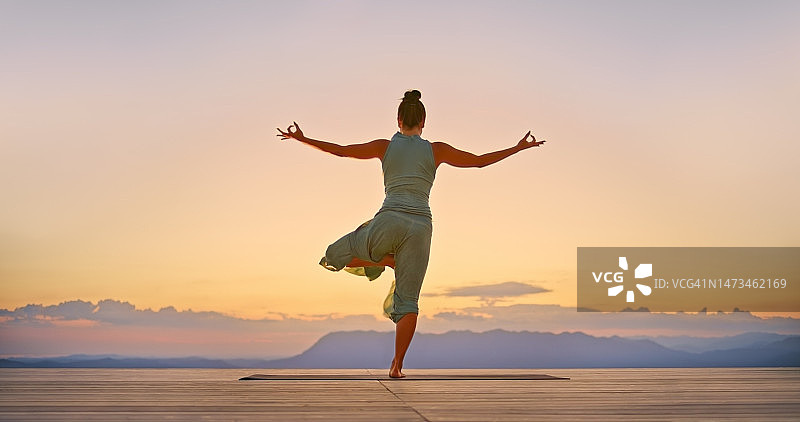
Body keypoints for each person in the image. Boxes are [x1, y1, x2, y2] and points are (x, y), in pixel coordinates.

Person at [276, 90, 545, 378]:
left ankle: (385, 262)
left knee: (335, 255)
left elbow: (341, 150)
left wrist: (302, 139)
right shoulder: (436, 150)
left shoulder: (385, 146)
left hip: (389, 219)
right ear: (424, 121)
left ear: (398, 119)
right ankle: (397, 366)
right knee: (408, 300)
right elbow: (478, 161)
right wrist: (518, 148)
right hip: (420, 227)